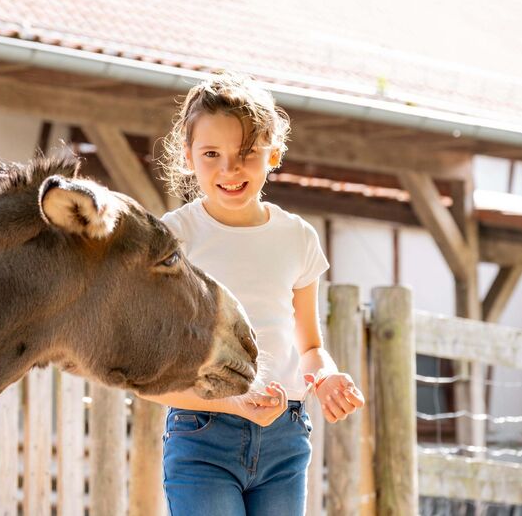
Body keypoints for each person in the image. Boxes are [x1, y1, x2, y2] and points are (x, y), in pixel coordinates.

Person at [141, 73, 365, 515]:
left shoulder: (297, 238)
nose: (230, 169)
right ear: (187, 157)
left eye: (247, 154)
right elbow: (148, 377)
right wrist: (233, 401)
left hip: (286, 439)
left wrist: (326, 378)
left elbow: (311, 348)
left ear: (273, 156)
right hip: (201, 437)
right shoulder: (171, 240)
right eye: (211, 154)